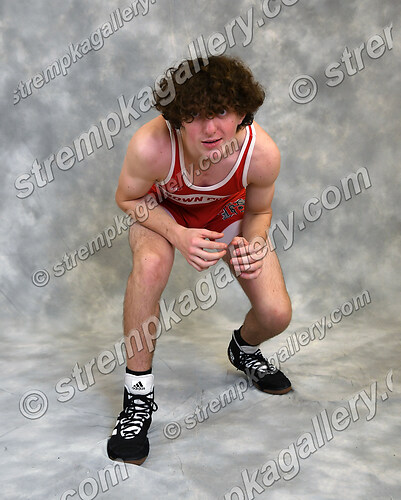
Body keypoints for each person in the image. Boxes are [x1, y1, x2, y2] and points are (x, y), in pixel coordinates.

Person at [107, 55, 292, 465]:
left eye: (221, 112)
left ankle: (244, 350)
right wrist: (177, 234)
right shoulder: (152, 144)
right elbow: (128, 198)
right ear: (177, 118)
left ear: (242, 113)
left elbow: (259, 211)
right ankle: (137, 399)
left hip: (226, 214)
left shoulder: (261, 153)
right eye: (195, 115)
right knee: (151, 265)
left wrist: (253, 242)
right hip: (163, 212)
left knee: (276, 314)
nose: (209, 129)